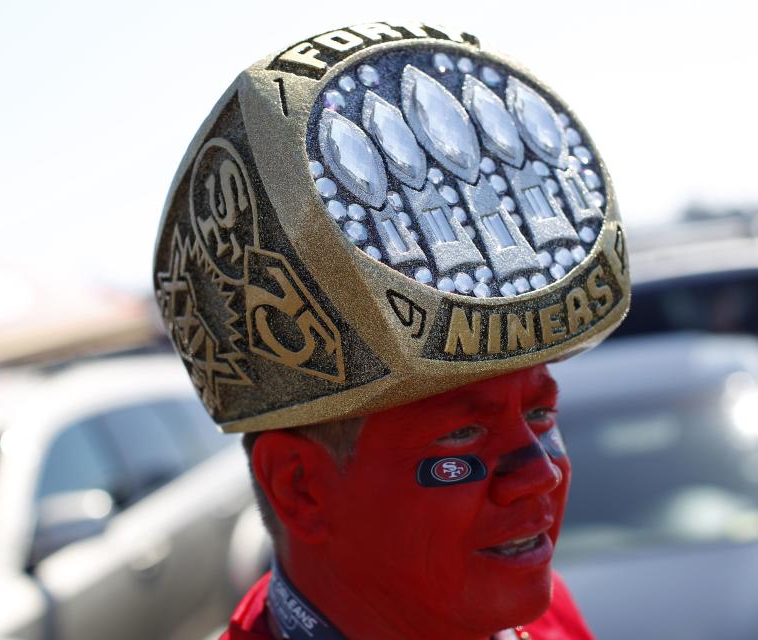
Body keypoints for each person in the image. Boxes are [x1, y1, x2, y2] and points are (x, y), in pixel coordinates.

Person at [153, 22, 630, 640]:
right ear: (300, 488)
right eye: (463, 434)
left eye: (541, 416)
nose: (541, 474)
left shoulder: (548, 621)